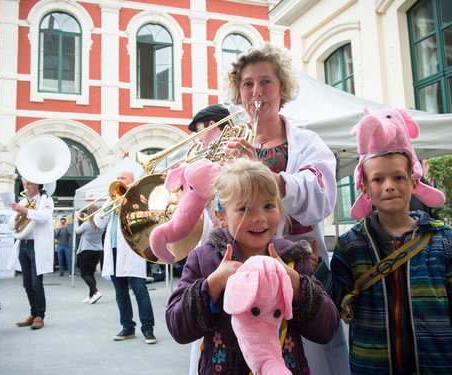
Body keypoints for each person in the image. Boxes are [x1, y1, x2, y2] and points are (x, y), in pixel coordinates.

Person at [223, 43, 349, 374]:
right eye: (248, 83)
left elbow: (322, 199)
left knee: (301, 354)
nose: (257, 91)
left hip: (298, 268)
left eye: (266, 82)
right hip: (241, 272)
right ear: (239, 93)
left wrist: (265, 174)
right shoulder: (227, 145)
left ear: (282, 89)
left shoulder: (307, 142)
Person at [166, 158, 340, 374]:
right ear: (221, 215)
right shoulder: (204, 259)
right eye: (245, 209)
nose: (259, 218)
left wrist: (295, 283)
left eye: (268, 205)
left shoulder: (293, 259)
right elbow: (177, 327)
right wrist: (213, 284)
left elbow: (327, 329)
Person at [317, 111, 452, 374]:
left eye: (398, 177)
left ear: (414, 182)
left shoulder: (442, 239)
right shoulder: (351, 244)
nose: (389, 186)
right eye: (378, 179)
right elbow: (335, 303)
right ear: (364, 188)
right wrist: (319, 270)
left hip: (438, 366)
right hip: (371, 368)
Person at [187, 103, 232, 374]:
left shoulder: (228, 153)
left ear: (213, 124)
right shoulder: (202, 158)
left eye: (200, 130)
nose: (198, 137)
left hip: (224, 244)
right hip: (208, 244)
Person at [94, 169, 157, 344]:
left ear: (132, 180)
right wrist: (110, 203)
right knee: (120, 293)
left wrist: (125, 203)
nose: (119, 180)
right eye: (118, 178)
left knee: (140, 291)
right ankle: (127, 327)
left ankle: (148, 329)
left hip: (133, 251)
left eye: (122, 178)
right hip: (114, 250)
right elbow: (99, 223)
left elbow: (147, 222)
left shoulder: (138, 198)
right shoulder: (112, 198)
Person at [7, 178, 54, 330]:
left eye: (29, 184)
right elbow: (10, 225)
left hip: (36, 246)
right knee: (27, 284)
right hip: (23, 246)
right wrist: (17, 216)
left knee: (36, 283)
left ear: (37, 184)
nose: (26, 187)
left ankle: (40, 315)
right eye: (24, 184)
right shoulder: (22, 202)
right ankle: (33, 313)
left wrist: (25, 211)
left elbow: (44, 217)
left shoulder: (47, 200)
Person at [75, 204, 104, 304]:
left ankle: (95, 292)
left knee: (84, 274)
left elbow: (77, 231)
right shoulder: (101, 225)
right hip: (97, 251)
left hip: (87, 251)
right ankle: (91, 296)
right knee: (91, 274)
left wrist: (76, 220)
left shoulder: (87, 224)